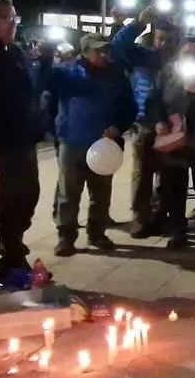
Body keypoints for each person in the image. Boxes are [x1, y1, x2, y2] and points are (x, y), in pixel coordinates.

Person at [49, 33, 137, 256]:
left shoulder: (116, 73)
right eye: (99, 51)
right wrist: (57, 130)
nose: (105, 55)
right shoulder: (67, 71)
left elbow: (129, 106)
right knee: (69, 192)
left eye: (107, 50)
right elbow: (46, 97)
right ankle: (65, 236)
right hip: (73, 141)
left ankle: (97, 232)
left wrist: (118, 127)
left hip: (104, 144)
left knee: (101, 193)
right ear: (85, 52)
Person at [0, 0, 44, 274]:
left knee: (22, 199)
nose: (15, 25)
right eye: (9, 19)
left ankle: (13, 254)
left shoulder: (12, 53)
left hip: (20, 142)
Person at [147, 37, 195, 249]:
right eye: (186, 53)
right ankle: (178, 231)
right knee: (174, 187)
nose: (191, 56)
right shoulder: (167, 73)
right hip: (174, 139)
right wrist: (159, 120)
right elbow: (154, 100)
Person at [110, 6, 171, 239]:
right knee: (142, 173)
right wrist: (138, 23)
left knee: (167, 175)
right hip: (144, 123)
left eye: (168, 39)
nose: (163, 43)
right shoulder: (141, 56)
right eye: (160, 38)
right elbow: (118, 46)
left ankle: (161, 216)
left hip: (170, 124)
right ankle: (141, 217)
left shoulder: (178, 61)